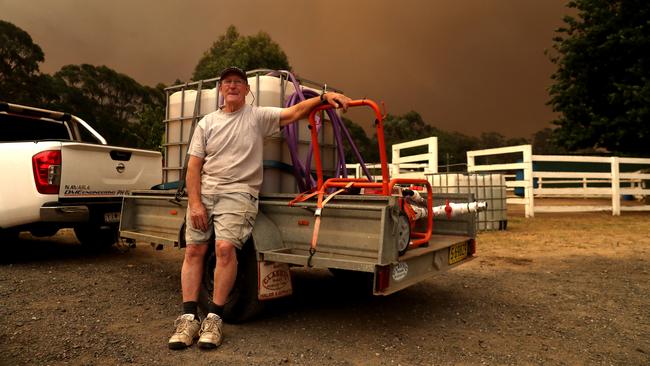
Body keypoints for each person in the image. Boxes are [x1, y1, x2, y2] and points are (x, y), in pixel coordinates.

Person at [168, 67, 351, 350]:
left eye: (238, 82)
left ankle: (215, 317)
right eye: (228, 82)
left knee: (226, 249)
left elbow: (294, 113)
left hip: (239, 194)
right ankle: (188, 316)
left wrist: (324, 97)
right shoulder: (207, 123)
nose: (233, 86)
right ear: (220, 89)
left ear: (247, 90)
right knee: (194, 250)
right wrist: (194, 203)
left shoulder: (256, 116)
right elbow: (193, 166)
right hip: (205, 194)